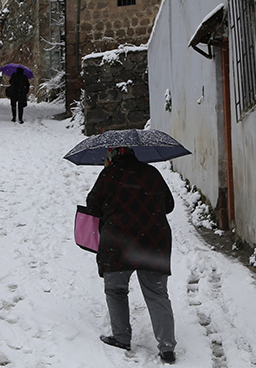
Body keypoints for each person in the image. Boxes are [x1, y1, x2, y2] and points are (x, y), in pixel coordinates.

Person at [85, 146, 177, 364]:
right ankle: (167, 347)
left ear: (113, 155)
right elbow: (169, 205)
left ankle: (121, 337)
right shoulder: (152, 173)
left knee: (116, 291)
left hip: (118, 243)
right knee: (157, 294)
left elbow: (92, 205)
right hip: (154, 242)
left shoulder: (109, 174)